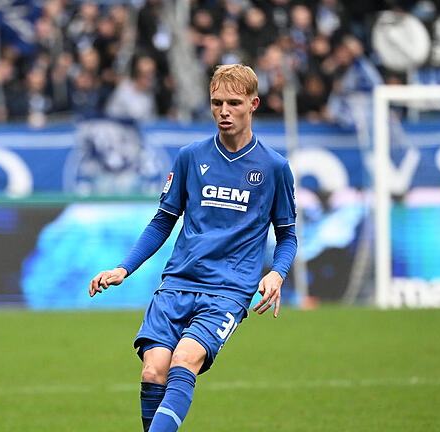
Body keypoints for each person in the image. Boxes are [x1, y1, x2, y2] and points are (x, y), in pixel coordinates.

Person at [88, 64, 297, 432]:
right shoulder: (190, 157)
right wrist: (123, 268)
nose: (224, 111)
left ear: (254, 104)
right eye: (217, 103)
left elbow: (287, 235)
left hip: (227, 291)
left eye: (234, 103)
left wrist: (277, 273)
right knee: (153, 372)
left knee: (183, 361)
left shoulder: (274, 168)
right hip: (177, 284)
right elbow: (163, 220)